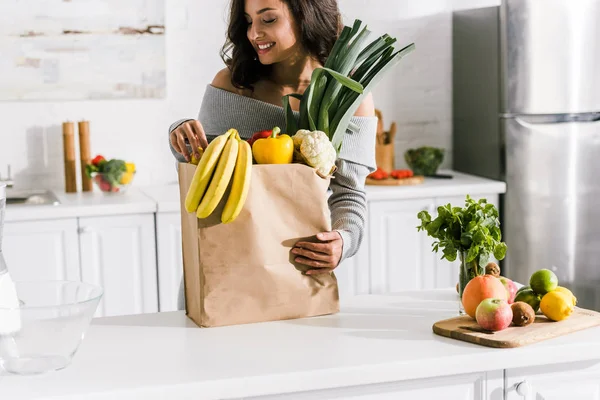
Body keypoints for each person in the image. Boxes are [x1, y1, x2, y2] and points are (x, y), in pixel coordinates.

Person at [168, 0, 377, 308]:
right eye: (248, 21)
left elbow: (349, 194)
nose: (254, 33)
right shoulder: (232, 85)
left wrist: (343, 242)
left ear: (307, 17)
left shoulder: (349, 97)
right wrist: (179, 130)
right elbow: (202, 165)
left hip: (295, 269)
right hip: (223, 272)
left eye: (267, 19)